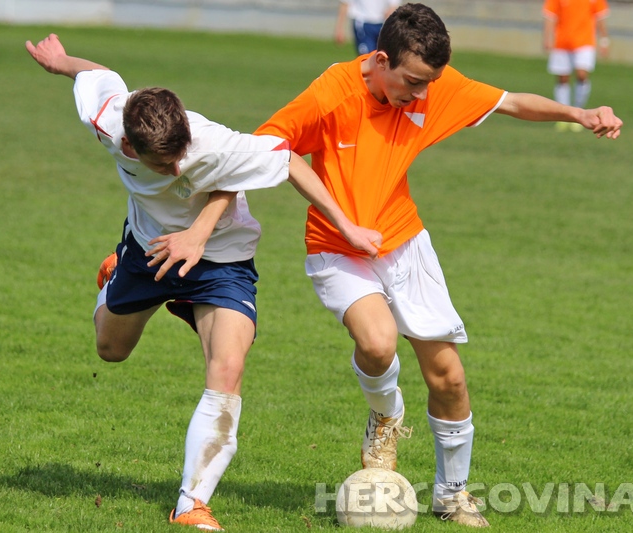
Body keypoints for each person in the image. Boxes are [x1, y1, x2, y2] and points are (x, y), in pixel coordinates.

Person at [256, 3, 622, 528]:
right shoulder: (332, 93)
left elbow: (512, 101)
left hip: (404, 241)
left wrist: (580, 115)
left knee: (448, 376)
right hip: (337, 247)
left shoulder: (432, 84)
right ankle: (385, 418)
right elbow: (273, 147)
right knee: (378, 343)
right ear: (380, 59)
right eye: (410, 82)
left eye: (428, 84)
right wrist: (343, 221)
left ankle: (452, 494)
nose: (420, 96)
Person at [25, 33, 382, 531]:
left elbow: (285, 159)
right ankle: (114, 277)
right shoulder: (108, 120)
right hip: (148, 252)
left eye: (180, 156)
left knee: (228, 366)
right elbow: (96, 74)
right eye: (165, 165)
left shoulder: (206, 140)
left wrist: (345, 226)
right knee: (111, 350)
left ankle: (190, 502)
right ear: (128, 143)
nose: (178, 168)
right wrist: (62, 63)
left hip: (223, 260)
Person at [543, 0, 611, 132]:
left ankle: (579, 111)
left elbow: (600, 17)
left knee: (582, 74)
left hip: (585, 42)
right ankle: (563, 115)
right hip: (562, 42)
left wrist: (604, 40)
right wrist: (547, 37)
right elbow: (550, 16)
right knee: (563, 78)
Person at [334, 0, 401, 55]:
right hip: (363, 23)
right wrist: (340, 28)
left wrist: (391, 11)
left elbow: (394, 4)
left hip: (382, 23)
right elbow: (345, 3)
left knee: (383, 57)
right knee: (366, 58)